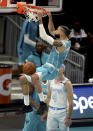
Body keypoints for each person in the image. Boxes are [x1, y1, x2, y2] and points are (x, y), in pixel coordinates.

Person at [19, 12, 71, 114]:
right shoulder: (62, 38)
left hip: (52, 70)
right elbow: (51, 30)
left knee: (34, 77)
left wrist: (40, 20)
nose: (55, 31)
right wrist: (50, 17)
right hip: (45, 67)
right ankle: (26, 105)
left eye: (57, 30)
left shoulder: (62, 44)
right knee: (22, 78)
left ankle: (43, 104)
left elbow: (44, 36)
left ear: (62, 33)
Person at [42, 64, 73, 131]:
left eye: (59, 67)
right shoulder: (50, 81)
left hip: (63, 113)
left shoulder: (67, 83)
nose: (57, 69)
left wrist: (69, 117)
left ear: (63, 69)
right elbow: (48, 97)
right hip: (51, 112)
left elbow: (71, 102)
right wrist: (47, 111)